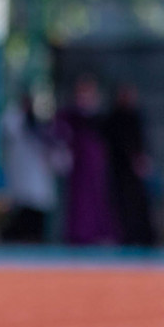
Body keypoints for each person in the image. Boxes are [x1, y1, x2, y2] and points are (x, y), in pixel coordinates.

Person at [56, 77, 116, 245]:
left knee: (97, 197)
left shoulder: (97, 116)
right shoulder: (70, 115)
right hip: (78, 162)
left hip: (94, 161)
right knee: (79, 200)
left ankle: (97, 231)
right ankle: (79, 233)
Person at [0, 92, 57, 243]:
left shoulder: (42, 126)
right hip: (22, 178)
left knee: (36, 212)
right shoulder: (16, 120)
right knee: (23, 211)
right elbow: (9, 127)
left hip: (38, 179)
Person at [105, 84, 156, 247]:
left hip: (135, 173)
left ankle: (141, 238)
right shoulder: (115, 119)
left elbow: (141, 143)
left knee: (138, 206)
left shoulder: (136, 117)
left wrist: (142, 160)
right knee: (122, 206)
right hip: (120, 170)